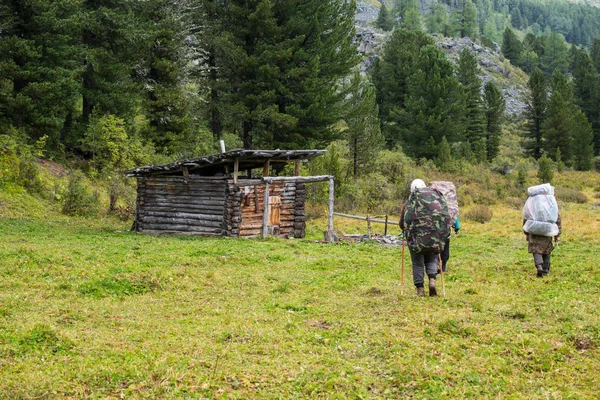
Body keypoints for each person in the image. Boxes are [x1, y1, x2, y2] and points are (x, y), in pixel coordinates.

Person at [399, 179, 451, 297]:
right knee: (432, 259)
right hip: (434, 238)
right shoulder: (435, 200)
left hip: (416, 240)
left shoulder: (409, 203)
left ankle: (420, 290)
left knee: (417, 263)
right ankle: (432, 281)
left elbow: (402, 224)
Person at [522, 183, 561, 277]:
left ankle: (539, 266)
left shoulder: (532, 202)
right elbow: (557, 219)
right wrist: (557, 234)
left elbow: (526, 217)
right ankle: (546, 270)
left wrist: (526, 233)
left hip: (534, 230)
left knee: (536, 250)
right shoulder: (551, 204)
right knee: (546, 250)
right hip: (547, 230)